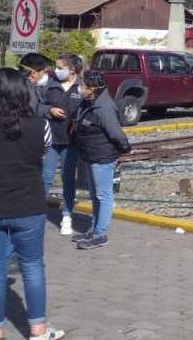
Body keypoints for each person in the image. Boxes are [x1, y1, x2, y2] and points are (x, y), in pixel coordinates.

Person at [0, 68, 65, 340]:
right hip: (28, 205)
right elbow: (41, 155)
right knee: (32, 266)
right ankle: (39, 331)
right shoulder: (40, 126)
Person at [72, 70, 130, 250]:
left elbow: (116, 133)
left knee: (103, 195)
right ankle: (94, 228)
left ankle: (100, 234)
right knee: (94, 195)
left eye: (83, 86)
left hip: (102, 156)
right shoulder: (89, 102)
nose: (80, 88)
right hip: (90, 154)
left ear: (93, 88)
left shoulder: (104, 107)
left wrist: (124, 147)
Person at [42, 53, 84, 236]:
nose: (56, 70)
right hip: (51, 140)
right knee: (45, 177)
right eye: (56, 67)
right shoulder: (50, 85)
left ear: (72, 69)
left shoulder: (82, 86)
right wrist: (49, 109)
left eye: (60, 67)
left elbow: (91, 108)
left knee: (68, 178)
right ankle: (36, 213)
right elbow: (37, 105)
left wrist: (78, 121)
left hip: (71, 142)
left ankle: (67, 215)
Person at [19, 53, 58, 121]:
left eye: (32, 73)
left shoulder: (55, 86)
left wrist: (49, 110)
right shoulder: (23, 84)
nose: (28, 77)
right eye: (26, 74)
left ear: (44, 69)